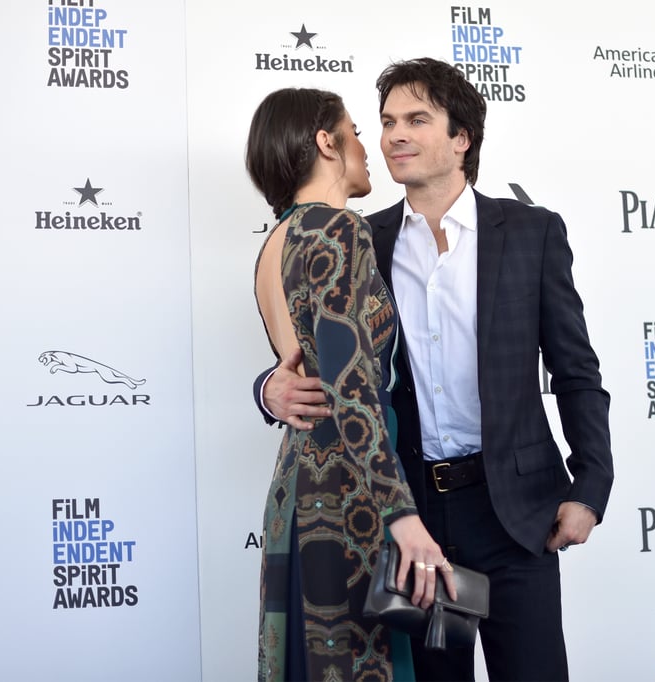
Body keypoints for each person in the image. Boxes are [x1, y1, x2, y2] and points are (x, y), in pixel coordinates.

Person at [256, 59, 614, 681]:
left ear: (461, 138)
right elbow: (325, 365)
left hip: (516, 514)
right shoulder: (362, 236)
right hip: (411, 516)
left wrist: (590, 486)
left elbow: (576, 370)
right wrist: (268, 388)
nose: (395, 135)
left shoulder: (531, 233)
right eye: (387, 121)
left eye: (417, 119)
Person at [247, 87, 456, 682]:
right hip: (347, 500)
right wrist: (401, 515)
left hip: (296, 490)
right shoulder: (339, 229)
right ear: (325, 142)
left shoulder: (276, 241)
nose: (368, 147)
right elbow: (352, 391)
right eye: (358, 131)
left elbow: (305, 373)